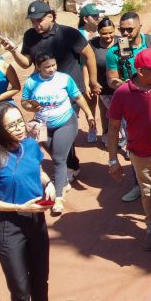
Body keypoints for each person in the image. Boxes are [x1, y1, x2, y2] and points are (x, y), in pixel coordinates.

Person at [0, 102, 76, 301]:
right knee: (20, 290)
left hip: (36, 221)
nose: (19, 128)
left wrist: (48, 183)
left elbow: (37, 170)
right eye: (11, 126)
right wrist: (19, 206)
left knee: (41, 276)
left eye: (20, 121)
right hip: (9, 229)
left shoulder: (30, 146)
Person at [1, 1, 101, 181]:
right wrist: (14, 51)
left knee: (64, 126)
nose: (36, 25)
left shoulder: (69, 33)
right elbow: (26, 63)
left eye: (39, 20)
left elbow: (89, 54)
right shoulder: (30, 36)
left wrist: (93, 81)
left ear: (50, 16)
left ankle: (67, 167)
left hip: (69, 90)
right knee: (46, 131)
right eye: (32, 21)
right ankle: (68, 162)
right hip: (43, 92)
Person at [107, 48, 151, 251]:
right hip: (140, 155)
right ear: (140, 70)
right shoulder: (122, 93)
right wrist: (113, 160)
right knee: (148, 194)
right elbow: (113, 127)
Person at [21, 54, 96, 214]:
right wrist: (31, 107)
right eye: (47, 67)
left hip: (66, 122)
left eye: (54, 65)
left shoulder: (64, 79)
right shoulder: (31, 82)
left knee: (57, 159)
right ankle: (71, 169)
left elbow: (77, 96)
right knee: (57, 153)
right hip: (43, 126)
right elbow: (24, 101)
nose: (52, 69)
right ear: (38, 67)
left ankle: (59, 197)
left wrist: (89, 114)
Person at [106, 12, 151, 88]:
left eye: (130, 29)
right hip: (131, 93)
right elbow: (112, 81)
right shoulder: (114, 51)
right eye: (122, 30)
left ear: (139, 27)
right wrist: (125, 85)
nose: (125, 33)